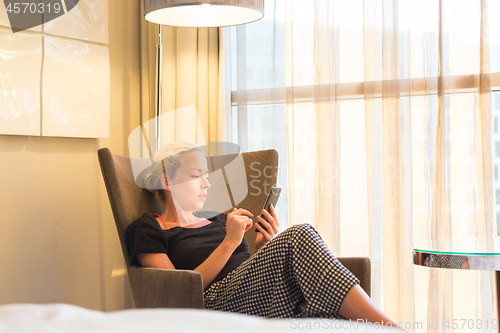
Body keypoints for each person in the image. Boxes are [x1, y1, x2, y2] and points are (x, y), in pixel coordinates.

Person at [126, 142, 398, 326]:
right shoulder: (149, 228)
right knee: (299, 235)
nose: (207, 184)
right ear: (167, 181)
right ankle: (389, 328)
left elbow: (244, 271)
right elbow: (176, 291)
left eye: (206, 175)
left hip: (254, 297)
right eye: (196, 175)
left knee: (313, 288)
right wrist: (230, 242)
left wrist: (263, 249)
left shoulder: (219, 220)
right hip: (212, 304)